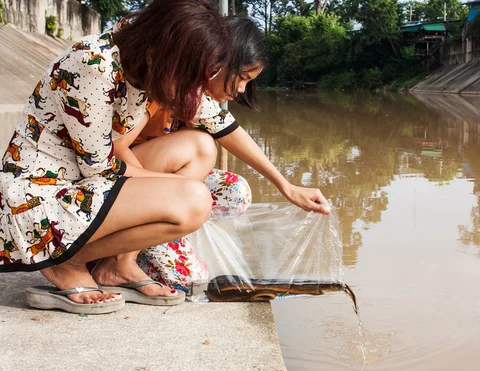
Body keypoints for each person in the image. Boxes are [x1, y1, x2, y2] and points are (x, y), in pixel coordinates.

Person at [0, 0, 232, 314]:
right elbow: (100, 168)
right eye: (191, 73)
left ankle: (117, 265)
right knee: (194, 199)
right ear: (168, 52)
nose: (193, 85)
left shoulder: (142, 67)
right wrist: (175, 188)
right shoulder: (94, 63)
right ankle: (67, 262)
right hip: (38, 200)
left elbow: (220, 122)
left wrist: (287, 188)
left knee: (201, 148)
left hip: (84, 187)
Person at [95, 16, 331, 294]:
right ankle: (116, 255)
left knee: (235, 193)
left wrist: (286, 186)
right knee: (192, 277)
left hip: (147, 177)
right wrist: (176, 192)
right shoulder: (161, 78)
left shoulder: (193, 91)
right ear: (216, 62)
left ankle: (137, 248)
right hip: (119, 179)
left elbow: (231, 131)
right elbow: (116, 151)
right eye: (242, 78)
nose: (242, 89)